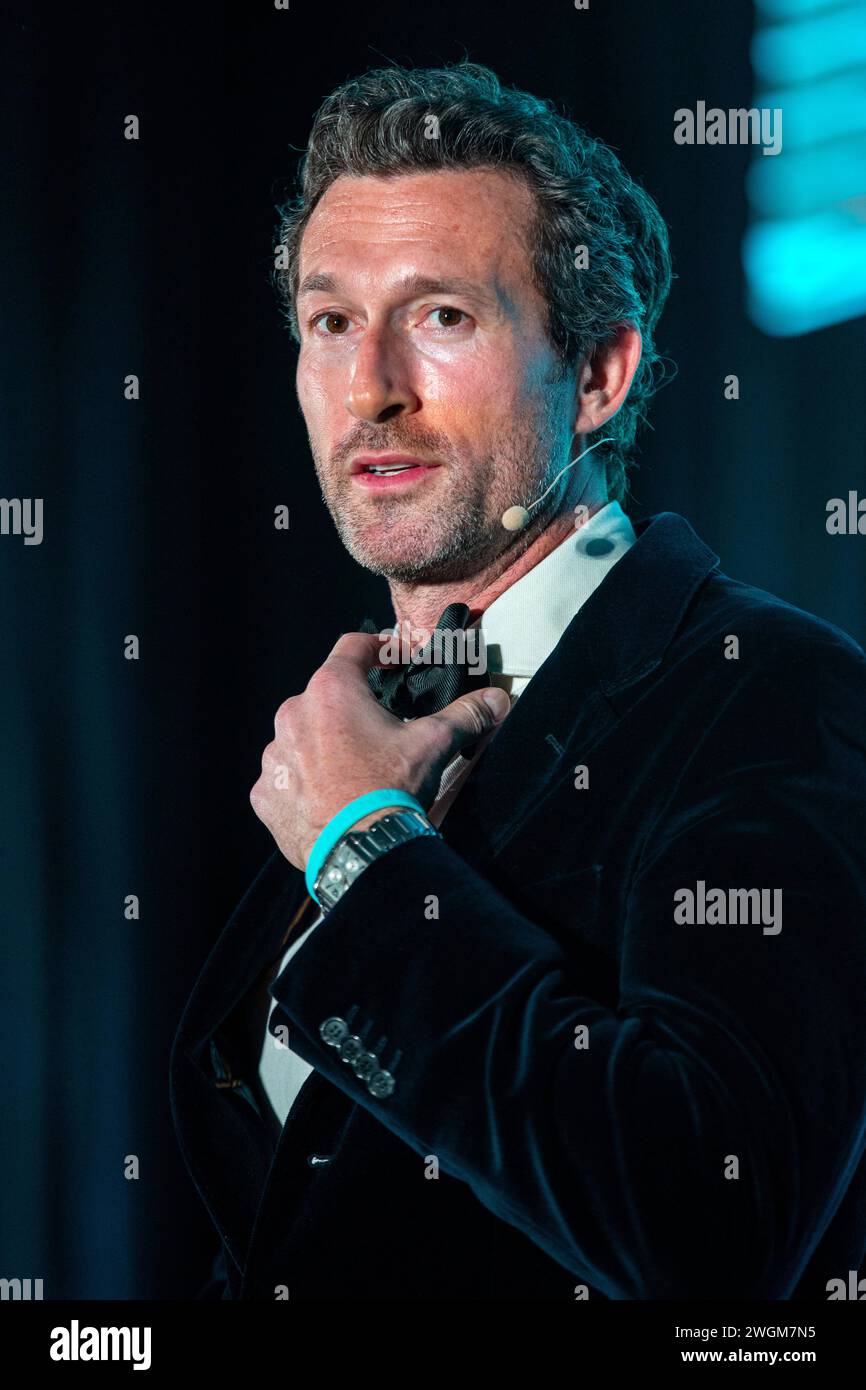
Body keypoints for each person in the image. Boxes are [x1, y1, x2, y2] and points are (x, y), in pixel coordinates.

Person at [170, 61, 866, 1300]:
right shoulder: (351, 720)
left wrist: (362, 848)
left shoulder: (774, 693)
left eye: (440, 316)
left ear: (596, 375)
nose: (369, 386)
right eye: (330, 321)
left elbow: (711, 1227)